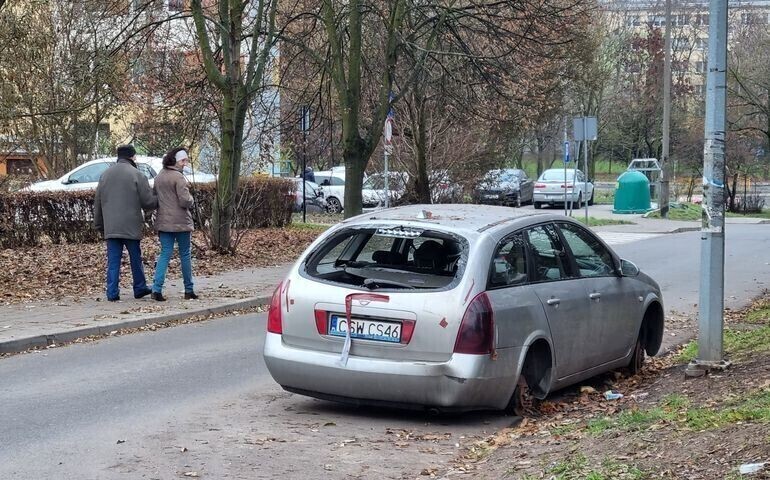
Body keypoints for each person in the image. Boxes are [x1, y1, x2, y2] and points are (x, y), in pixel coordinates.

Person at [94, 144, 158, 301]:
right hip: (131, 225)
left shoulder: (105, 175)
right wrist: (159, 199)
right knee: (135, 258)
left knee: (113, 260)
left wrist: (99, 224)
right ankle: (139, 287)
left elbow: (98, 202)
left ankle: (112, 293)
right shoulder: (137, 174)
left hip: (111, 226)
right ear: (132, 156)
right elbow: (148, 202)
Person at [150, 147, 198, 301]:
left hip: (164, 222)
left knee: (165, 253)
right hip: (181, 222)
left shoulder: (159, 177)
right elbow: (185, 200)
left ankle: (156, 289)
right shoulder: (178, 177)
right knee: (185, 254)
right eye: (183, 160)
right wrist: (191, 199)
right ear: (175, 161)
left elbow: (154, 198)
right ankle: (188, 290)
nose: (185, 163)